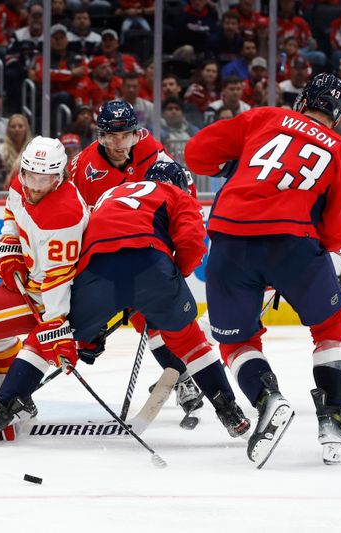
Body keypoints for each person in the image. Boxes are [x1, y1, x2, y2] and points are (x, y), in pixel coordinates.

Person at [184, 73, 341, 466]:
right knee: (331, 327)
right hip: (293, 247)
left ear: (302, 101)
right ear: (337, 117)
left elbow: (197, 153)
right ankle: (333, 422)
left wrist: (234, 167)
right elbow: (334, 233)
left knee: (238, 342)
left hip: (230, 241)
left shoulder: (264, 117)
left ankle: (267, 400)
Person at [67, 161, 251, 440]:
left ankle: (12, 399)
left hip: (96, 268)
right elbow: (192, 243)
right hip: (150, 266)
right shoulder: (176, 195)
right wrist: (172, 276)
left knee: (62, 330)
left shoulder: (112, 194)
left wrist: (90, 337)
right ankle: (228, 410)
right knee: (191, 341)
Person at [67, 100, 203, 420]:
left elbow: (182, 194)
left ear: (136, 133)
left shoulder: (152, 151)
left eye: (125, 135)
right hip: (106, 248)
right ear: (99, 135)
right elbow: (75, 221)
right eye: (110, 136)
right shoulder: (82, 168)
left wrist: (171, 246)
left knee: (153, 314)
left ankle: (183, 376)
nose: (118, 144)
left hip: (148, 242)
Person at [0, 136, 89, 440]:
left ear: (60, 176)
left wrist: (56, 328)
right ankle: (10, 400)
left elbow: (59, 280)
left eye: (45, 178)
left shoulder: (65, 213)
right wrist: (10, 245)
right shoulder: (20, 183)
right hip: (32, 284)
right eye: (30, 175)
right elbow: (12, 217)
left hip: (54, 297)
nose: (35, 186)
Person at [0, 112, 32, 178]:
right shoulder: (1, 149)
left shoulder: (33, 148)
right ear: (8, 130)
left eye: (20, 126)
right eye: (13, 126)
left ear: (26, 129)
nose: (17, 129)